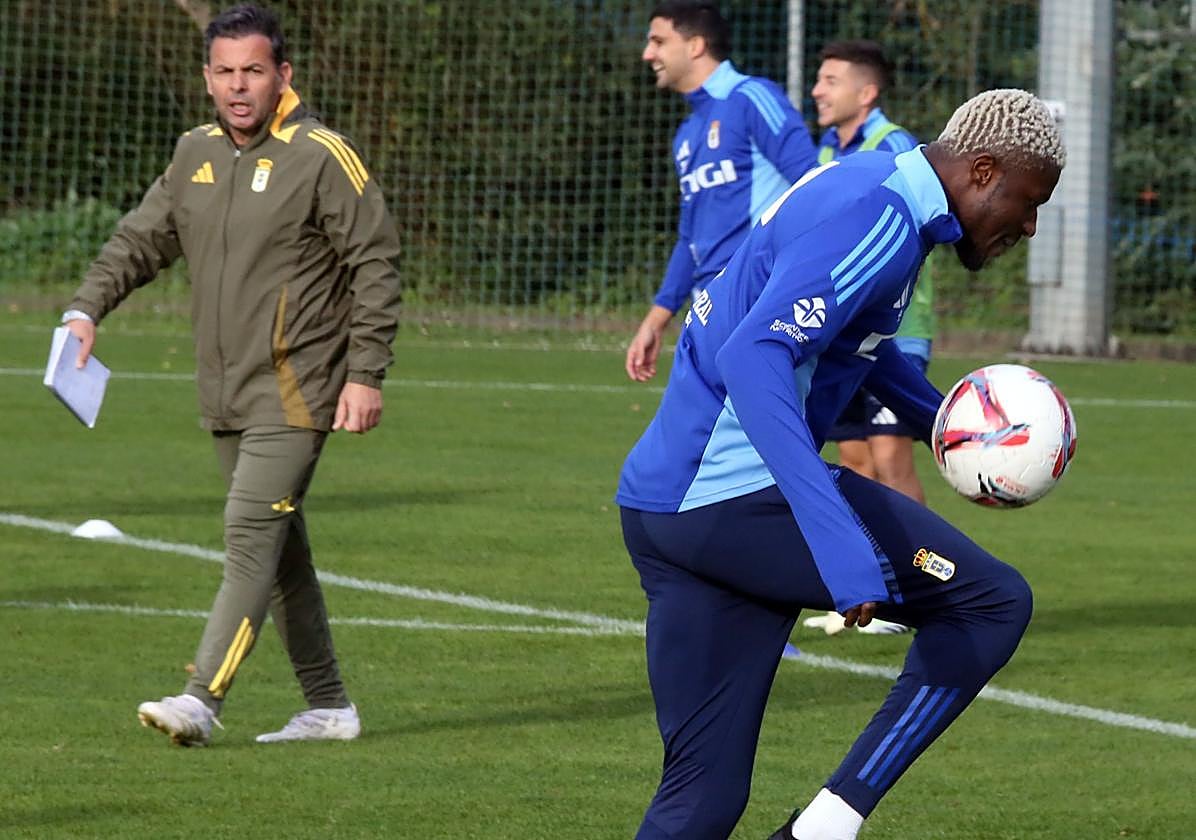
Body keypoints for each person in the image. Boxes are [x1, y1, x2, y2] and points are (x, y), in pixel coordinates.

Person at [616, 89, 1063, 839]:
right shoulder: (883, 218)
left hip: (663, 508)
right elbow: (755, 354)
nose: (1028, 224)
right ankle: (828, 826)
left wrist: (945, 425)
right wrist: (834, 535)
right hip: (731, 501)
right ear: (984, 170)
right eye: (1028, 201)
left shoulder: (875, 182)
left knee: (702, 799)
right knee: (990, 605)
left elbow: (850, 336)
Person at [62, 3, 401, 747]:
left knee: (250, 533)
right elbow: (139, 240)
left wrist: (365, 372)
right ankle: (329, 706)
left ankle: (201, 698)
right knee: (282, 555)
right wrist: (86, 309)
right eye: (225, 71)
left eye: (253, 70)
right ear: (207, 76)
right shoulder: (194, 154)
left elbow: (375, 263)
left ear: (283, 74)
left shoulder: (321, 154)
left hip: (297, 386)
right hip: (224, 391)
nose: (238, 86)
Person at [806, 39, 929, 637]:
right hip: (839, 329)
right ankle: (867, 591)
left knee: (891, 458)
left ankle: (923, 590)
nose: (818, 91)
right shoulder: (829, 148)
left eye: (830, 80)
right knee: (853, 457)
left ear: (866, 92)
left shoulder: (896, 147)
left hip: (894, 334)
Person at [625, 0, 816, 382]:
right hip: (707, 308)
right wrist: (657, 318)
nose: (649, 54)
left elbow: (813, 183)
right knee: (696, 436)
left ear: (695, 45)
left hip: (755, 300)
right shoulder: (687, 134)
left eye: (658, 41)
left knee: (746, 433)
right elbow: (690, 238)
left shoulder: (751, 98)